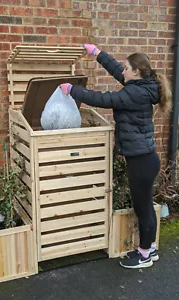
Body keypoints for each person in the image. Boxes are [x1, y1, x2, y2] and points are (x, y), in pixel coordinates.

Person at [60, 44, 172, 269]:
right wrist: (97, 53)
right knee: (145, 206)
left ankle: (144, 255)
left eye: (127, 68)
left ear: (136, 72)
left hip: (141, 161)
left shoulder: (133, 93)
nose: (123, 71)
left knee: (142, 208)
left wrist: (72, 90)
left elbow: (104, 99)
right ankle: (149, 249)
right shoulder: (143, 86)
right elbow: (116, 70)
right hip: (145, 158)